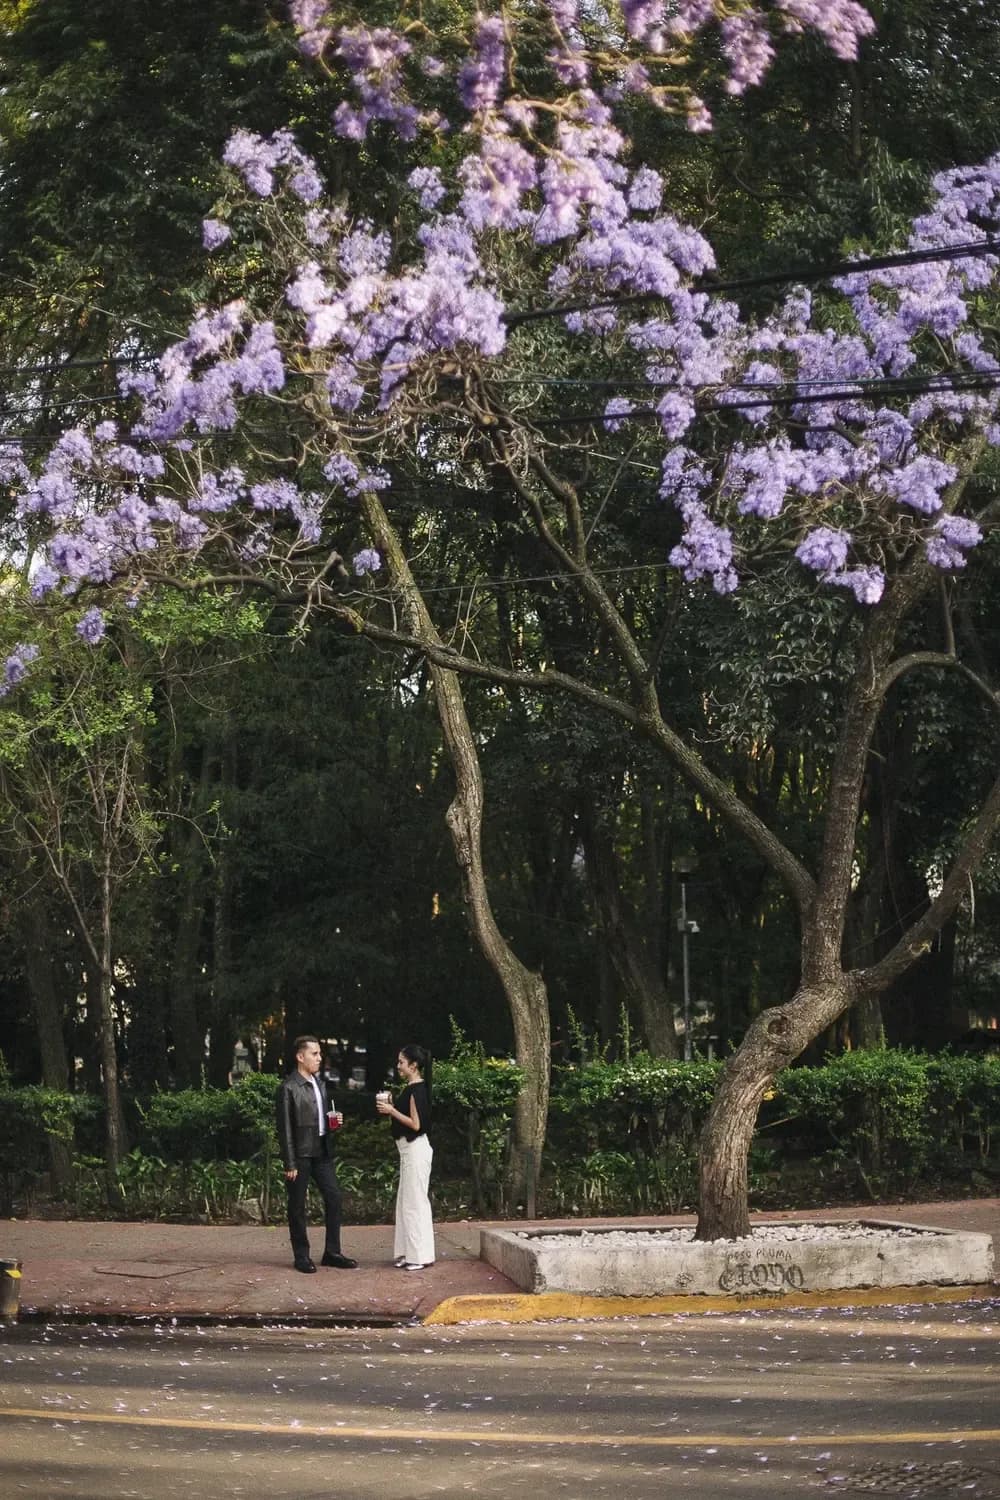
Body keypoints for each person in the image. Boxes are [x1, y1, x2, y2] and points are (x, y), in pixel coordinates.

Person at [276, 1035, 358, 1274]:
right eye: (315, 1054)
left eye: (320, 1054)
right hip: (300, 1155)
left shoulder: (319, 1084)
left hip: (322, 1151)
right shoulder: (288, 1088)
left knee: (334, 1197)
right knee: (297, 1206)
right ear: (300, 1057)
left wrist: (333, 1123)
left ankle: (332, 1252)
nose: (320, 1058)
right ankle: (301, 1256)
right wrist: (289, 1161)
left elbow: (320, 1117)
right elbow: (285, 1129)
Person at [376, 1044, 435, 1270]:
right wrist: (392, 1106)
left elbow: (416, 1124)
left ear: (413, 1065)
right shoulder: (411, 1088)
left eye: (402, 1062)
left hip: (415, 1150)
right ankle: (407, 1252)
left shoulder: (417, 1090)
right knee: (405, 1202)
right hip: (407, 1151)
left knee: (415, 1203)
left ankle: (419, 1255)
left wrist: (391, 1111)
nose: (398, 1066)